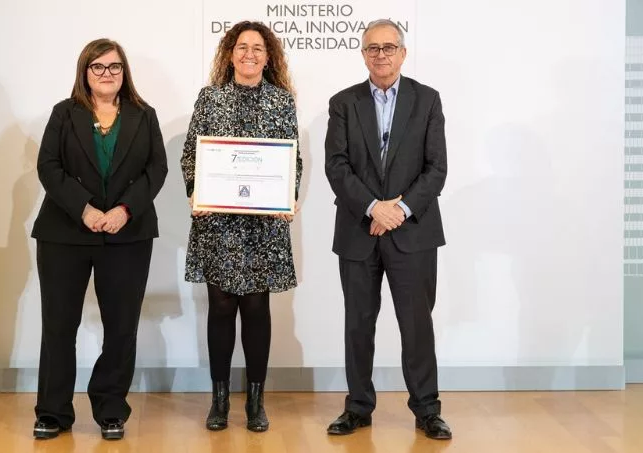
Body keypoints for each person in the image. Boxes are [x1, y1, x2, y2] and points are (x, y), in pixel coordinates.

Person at [30, 38, 167, 440]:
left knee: (121, 327)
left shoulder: (144, 115)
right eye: (98, 67)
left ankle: (110, 409)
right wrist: (84, 208)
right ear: (85, 72)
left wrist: (125, 210)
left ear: (124, 72)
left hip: (128, 233)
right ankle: (53, 412)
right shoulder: (64, 113)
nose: (107, 73)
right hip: (65, 233)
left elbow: (156, 170)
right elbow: (48, 166)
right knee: (59, 326)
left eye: (114, 66)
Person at [324, 19, 451, 440]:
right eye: (372, 48)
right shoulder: (343, 102)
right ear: (363, 54)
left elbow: (436, 168)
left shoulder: (427, 100)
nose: (381, 55)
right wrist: (373, 208)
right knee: (358, 325)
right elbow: (336, 166)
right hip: (358, 232)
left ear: (403, 53)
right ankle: (358, 408)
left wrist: (399, 209)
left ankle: (427, 410)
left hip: (413, 232)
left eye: (389, 47)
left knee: (417, 326)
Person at [180, 20, 302, 433]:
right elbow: (191, 154)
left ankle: (255, 402)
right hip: (218, 223)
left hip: (263, 226)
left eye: (258, 48)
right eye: (242, 47)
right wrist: (195, 192)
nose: (250, 54)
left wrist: (288, 195)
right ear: (230, 54)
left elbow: (292, 159)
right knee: (220, 308)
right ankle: (218, 402)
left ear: (268, 58)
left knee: (255, 309)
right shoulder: (210, 98)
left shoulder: (282, 102)